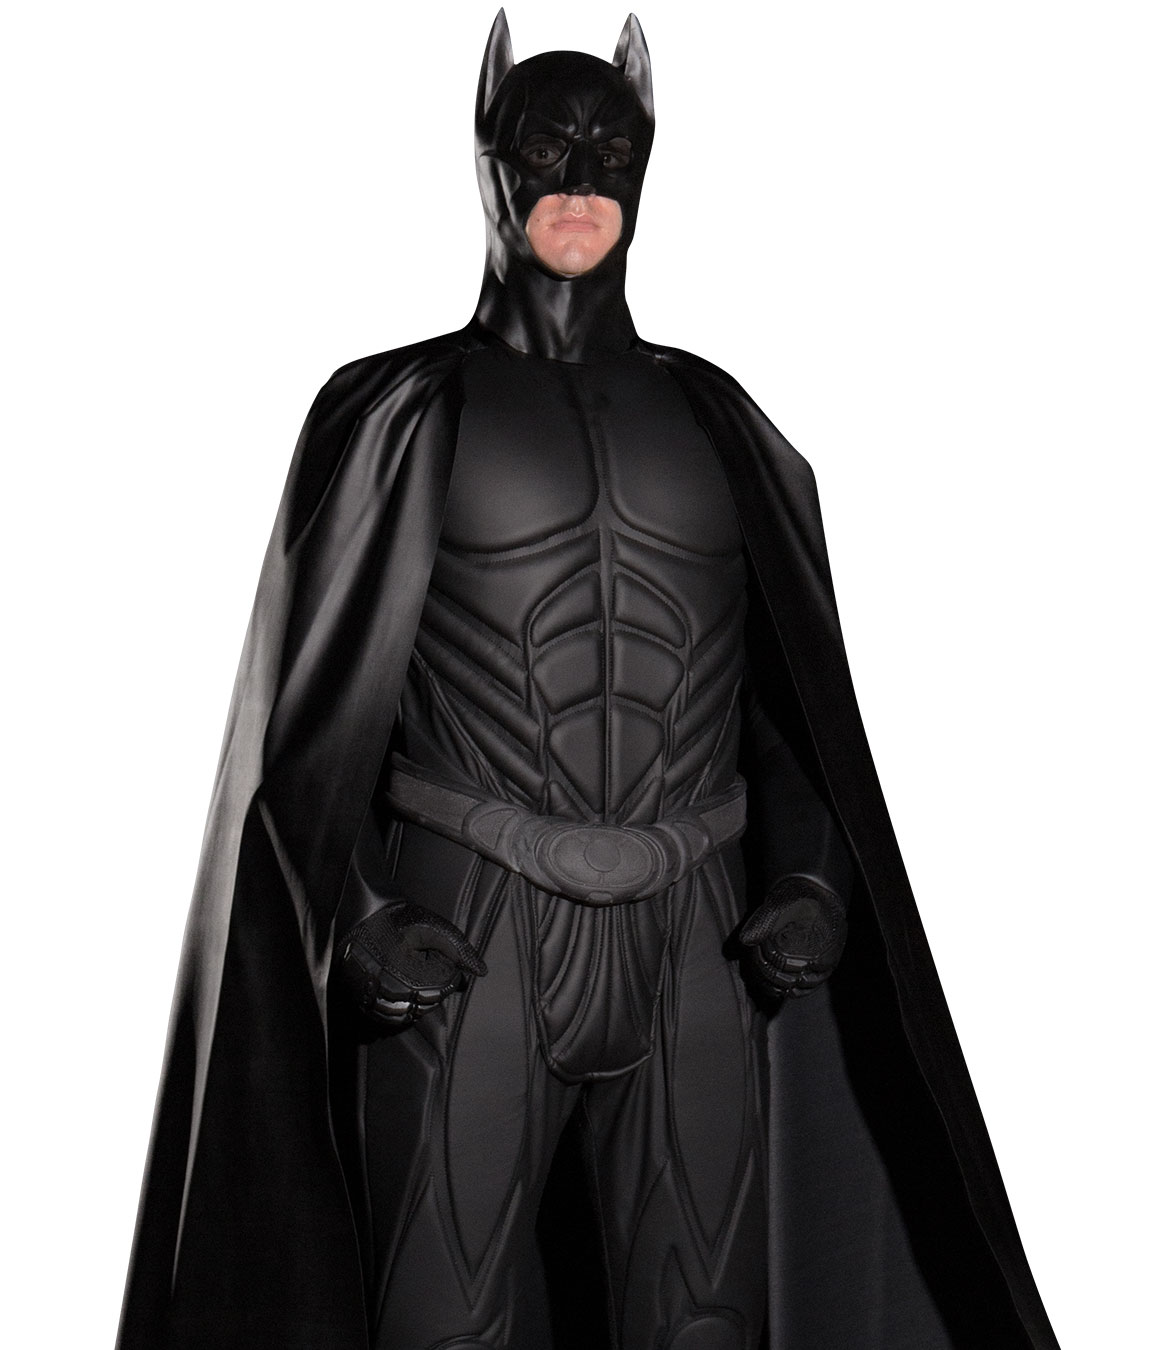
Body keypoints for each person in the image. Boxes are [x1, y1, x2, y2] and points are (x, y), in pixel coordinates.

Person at [117, 12, 1061, 1350]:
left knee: (705, 1325)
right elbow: (306, 731)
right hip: (472, 925)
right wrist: (364, 913)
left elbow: (789, 713)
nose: (578, 175)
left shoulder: (723, 422)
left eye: (610, 148)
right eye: (544, 144)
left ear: (649, 162)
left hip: (693, 933)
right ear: (487, 154)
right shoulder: (396, 411)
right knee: (441, 1326)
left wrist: (810, 879)